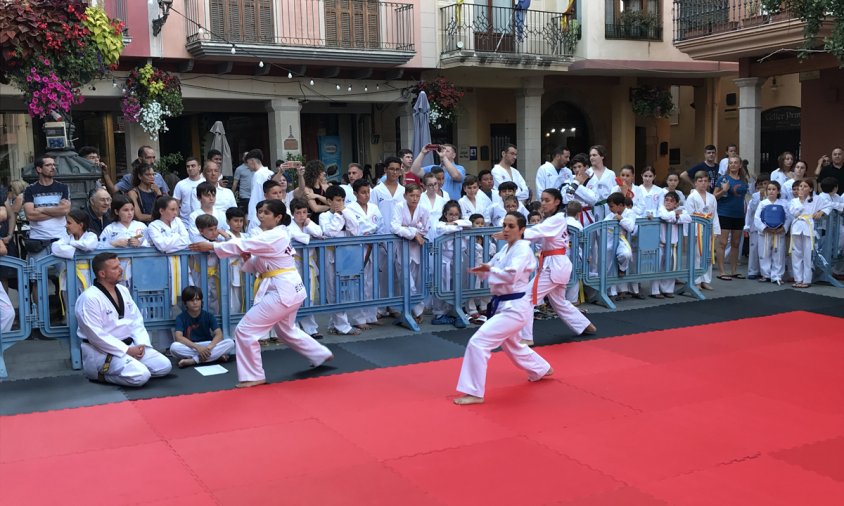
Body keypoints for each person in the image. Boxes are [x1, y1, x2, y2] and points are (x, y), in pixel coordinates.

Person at [189, 199, 334, 388]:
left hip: (282, 292)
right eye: (260, 212)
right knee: (286, 330)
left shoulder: (276, 235)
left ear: (278, 217)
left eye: (266, 213)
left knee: (245, 330)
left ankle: (253, 375)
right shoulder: (275, 235)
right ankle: (320, 354)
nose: (261, 215)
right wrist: (247, 257)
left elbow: (245, 243)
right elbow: (259, 263)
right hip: (290, 289)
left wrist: (213, 246)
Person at [454, 212, 553, 405]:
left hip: (514, 308)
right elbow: (493, 266)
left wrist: (490, 270)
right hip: (505, 305)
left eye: (511, 226)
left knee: (478, 342)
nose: (506, 230)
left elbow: (511, 275)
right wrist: (484, 269)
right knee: (513, 345)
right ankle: (541, 368)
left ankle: (474, 392)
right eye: (504, 225)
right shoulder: (508, 248)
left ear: (522, 230)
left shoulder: (522, 250)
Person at [74, 252, 173, 387]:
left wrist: (141, 344)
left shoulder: (123, 290)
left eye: (119, 265)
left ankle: (132, 367)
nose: (121, 270)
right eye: (115, 268)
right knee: (141, 376)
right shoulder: (89, 298)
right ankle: (100, 375)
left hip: (130, 346)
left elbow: (136, 320)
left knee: (164, 366)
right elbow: (96, 335)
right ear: (102, 274)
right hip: (103, 352)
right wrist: (125, 351)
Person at [515, 189, 596, 345]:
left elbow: (537, 232)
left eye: (547, 200)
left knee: (526, 298)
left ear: (557, 202)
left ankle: (526, 338)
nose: (543, 203)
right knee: (559, 301)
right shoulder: (553, 220)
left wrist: (514, 233)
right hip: (558, 264)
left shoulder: (556, 220)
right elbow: (539, 236)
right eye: (542, 200)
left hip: (554, 266)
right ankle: (586, 325)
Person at [319, 185, 362, 335]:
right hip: (331, 257)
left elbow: (355, 230)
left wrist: (343, 211)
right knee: (333, 291)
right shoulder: (324, 216)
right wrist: (338, 215)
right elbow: (330, 232)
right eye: (337, 200)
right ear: (329, 201)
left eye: (342, 200)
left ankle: (335, 323)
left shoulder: (347, 212)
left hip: (347, 256)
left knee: (345, 291)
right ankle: (342, 326)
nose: (340, 203)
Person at [345, 179, 382, 329]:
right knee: (358, 283)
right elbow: (353, 228)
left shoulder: (374, 208)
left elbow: (380, 225)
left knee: (372, 282)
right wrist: (366, 231)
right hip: (357, 249)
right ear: (355, 194)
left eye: (368, 192)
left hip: (372, 247)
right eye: (362, 192)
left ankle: (371, 315)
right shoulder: (349, 209)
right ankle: (358, 318)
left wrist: (372, 231)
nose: (366, 195)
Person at [391, 183, 429, 323]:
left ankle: (409, 310)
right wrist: (413, 232)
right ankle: (417, 311)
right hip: (402, 249)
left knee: (416, 282)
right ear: (405, 195)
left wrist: (409, 229)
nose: (414, 198)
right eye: (411, 195)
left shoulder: (423, 209)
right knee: (408, 283)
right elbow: (395, 227)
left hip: (417, 250)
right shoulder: (399, 207)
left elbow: (425, 229)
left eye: (417, 196)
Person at [430, 200, 471, 327]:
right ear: (445, 214)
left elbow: (468, 223)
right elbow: (443, 229)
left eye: (456, 214)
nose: (453, 217)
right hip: (444, 259)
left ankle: (456, 311)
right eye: (450, 214)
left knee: (457, 285)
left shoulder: (461, 222)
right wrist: (456, 226)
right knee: (442, 285)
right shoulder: (440, 224)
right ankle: (440, 313)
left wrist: (455, 223)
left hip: (459, 259)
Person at [171, 285, 234, 368]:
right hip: (192, 346)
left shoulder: (208, 316)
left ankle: (194, 360)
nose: (195, 302)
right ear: (185, 303)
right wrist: (198, 348)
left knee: (230, 343)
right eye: (191, 300)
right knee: (174, 347)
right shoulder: (181, 318)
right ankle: (215, 357)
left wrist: (208, 348)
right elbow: (178, 337)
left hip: (208, 345)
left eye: (197, 299)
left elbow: (219, 334)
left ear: (201, 301)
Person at [288, 198, 323, 339]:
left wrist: (309, 223)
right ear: (292, 214)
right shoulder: (289, 227)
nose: (302, 216)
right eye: (298, 213)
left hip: (308, 263)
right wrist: (311, 236)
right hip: (295, 264)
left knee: (309, 296)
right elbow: (302, 238)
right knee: (295, 297)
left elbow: (319, 233)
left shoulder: (308, 223)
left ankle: (310, 327)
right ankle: (294, 327)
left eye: (304, 212)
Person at [23, 156, 70, 258]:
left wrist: (42, 209)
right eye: (48, 165)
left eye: (54, 165)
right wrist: (56, 211)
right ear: (39, 169)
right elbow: (31, 215)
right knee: (35, 273)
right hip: (37, 240)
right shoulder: (30, 190)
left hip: (60, 240)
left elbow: (65, 211)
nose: (53, 167)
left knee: (64, 273)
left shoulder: (63, 188)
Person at [98, 196, 148, 287]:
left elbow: (151, 243)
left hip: (139, 266)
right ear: (117, 211)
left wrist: (140, 244)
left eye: (132, 210)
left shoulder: (141, 226)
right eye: (125, 210)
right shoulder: (110, 229)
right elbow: (99, 247)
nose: (130, 213)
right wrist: (113, 244)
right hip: (118, 268)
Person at [51, 209, 98, 302]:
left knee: (88, 303)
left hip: (88, 276)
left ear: (80, 225)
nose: (66, 226)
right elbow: (55, 247)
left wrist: (71, 244)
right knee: (70, 305)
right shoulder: (67, 238)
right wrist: (76, 249)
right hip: (70, 276)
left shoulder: (91, 236)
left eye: (69, 223)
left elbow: (88, 245)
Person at [714, 155, 749, 280]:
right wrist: (723, 191)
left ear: (740, 165)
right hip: (724, 213)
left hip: (739, 215)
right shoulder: (724, 179)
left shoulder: (744, 180)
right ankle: (722, 271)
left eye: (735, 163)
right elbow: (714, 197)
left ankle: (734, 271)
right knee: (723, 242)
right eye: (730, 163)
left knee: (736, 243)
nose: (733, 165)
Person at [652, 191, 691, 298]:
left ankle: (668, 289)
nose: (668, 202)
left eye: (671, 201)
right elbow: (664, 216)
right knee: (658, 267)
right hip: (660, 244)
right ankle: (655, 291)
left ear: (676, 204)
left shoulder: (681, 210)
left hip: (673, 244)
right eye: (666, 200)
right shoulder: (661, 209)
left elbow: (688, 218)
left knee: (670, 267)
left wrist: (676, 217)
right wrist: (675, 215)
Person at [789, 179, 827, 288]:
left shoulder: (816, 199)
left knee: (807, 254)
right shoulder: (794, 201)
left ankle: (806, 279)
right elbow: (794, 213)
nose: (801, 188)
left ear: (810, 189)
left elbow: (829, 205)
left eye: (805, 186)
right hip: (797, 227)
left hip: (808, 228)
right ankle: (798, 279)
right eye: (800, 186)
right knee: (796, 255)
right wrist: (801, 201)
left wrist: (821, 212)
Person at [686, 171, 720, 290]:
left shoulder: (712, 197)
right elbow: (690, 215)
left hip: (708, 229)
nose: (703, 183)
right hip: (697, 229)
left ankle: (706, 279)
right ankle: (696, 281)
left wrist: (716, 230)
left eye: (705, 181)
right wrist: (694, 232)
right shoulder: (691, 197)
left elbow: (714, 215)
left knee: (708, 254)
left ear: (709, 183)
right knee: (697, 256)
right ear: (695, 183)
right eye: (700, 181)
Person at [755, 181, 789, 285]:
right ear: (766, 191)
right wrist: (765, 228)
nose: (771, 191)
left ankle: (777, 275)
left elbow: (788, 217)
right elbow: (756, 218)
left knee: (778, 254)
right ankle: (766, 274)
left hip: (778, 232)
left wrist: (783, 228)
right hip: (765, 233)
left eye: (774, 189)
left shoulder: (783, 203)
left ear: (778, 191)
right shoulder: (763, 203)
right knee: (764, 253)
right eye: (769, 189)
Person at [245, 149, 274, 231]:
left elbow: (256, 197)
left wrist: (251, 216)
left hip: (259, 213)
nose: (247, 166)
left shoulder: (258, 174)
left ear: (252, 161)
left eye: (248, 163)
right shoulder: (270, 172)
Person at [172, 157, 205, 227]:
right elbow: (175, 205)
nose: (190, 168)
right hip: (185, 223)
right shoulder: (180, 184)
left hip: (204, 222)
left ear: (199, 167)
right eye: (188, 166)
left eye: (193, 166)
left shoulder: (205, 183)